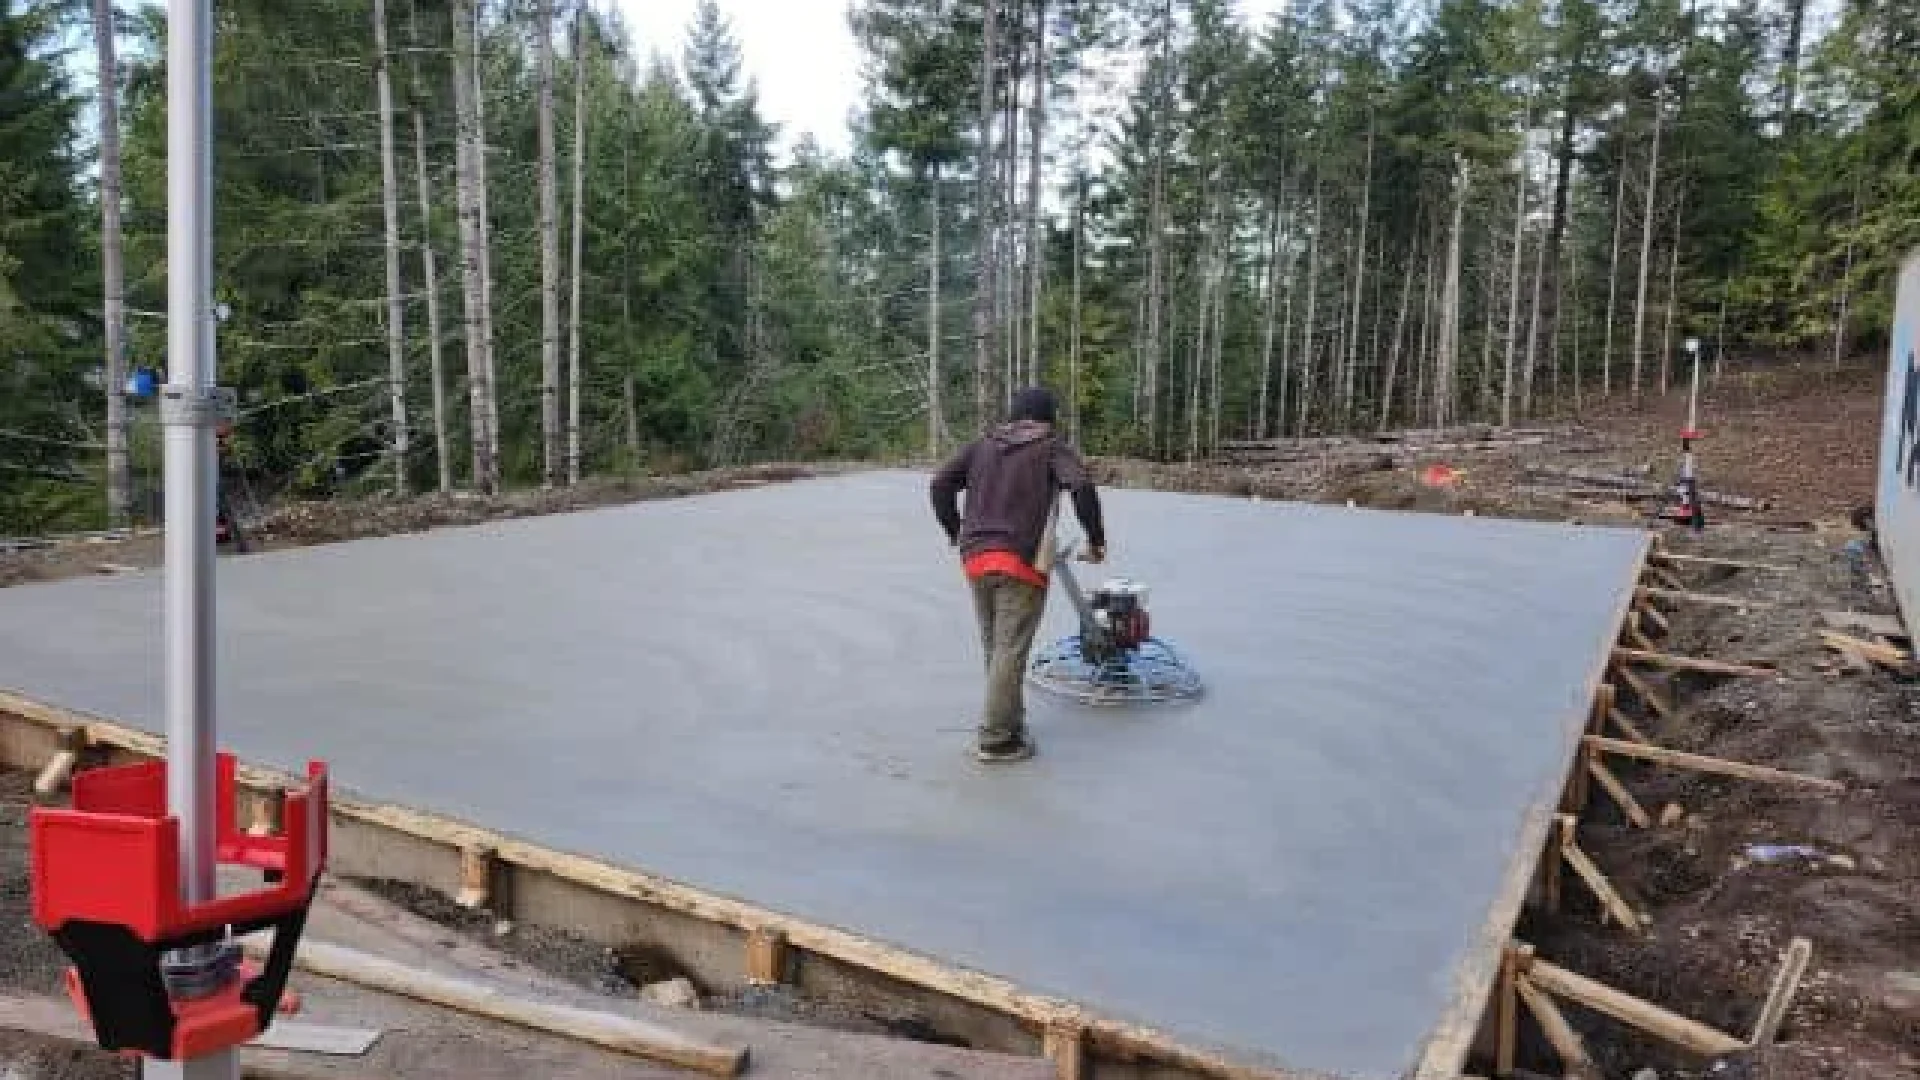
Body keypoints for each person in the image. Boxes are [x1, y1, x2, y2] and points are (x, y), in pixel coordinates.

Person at [930, 387, 1106, 762]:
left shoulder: (982, 446)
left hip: (976, 558)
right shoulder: (1051, 447)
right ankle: (996, 739)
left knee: (997, 648)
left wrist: (954, 529)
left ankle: (1010, 721)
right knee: (1009, 649)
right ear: (1048, 419)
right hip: (1020, 560)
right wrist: (1096, 539)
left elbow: (940, 483)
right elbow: (1081, 485)